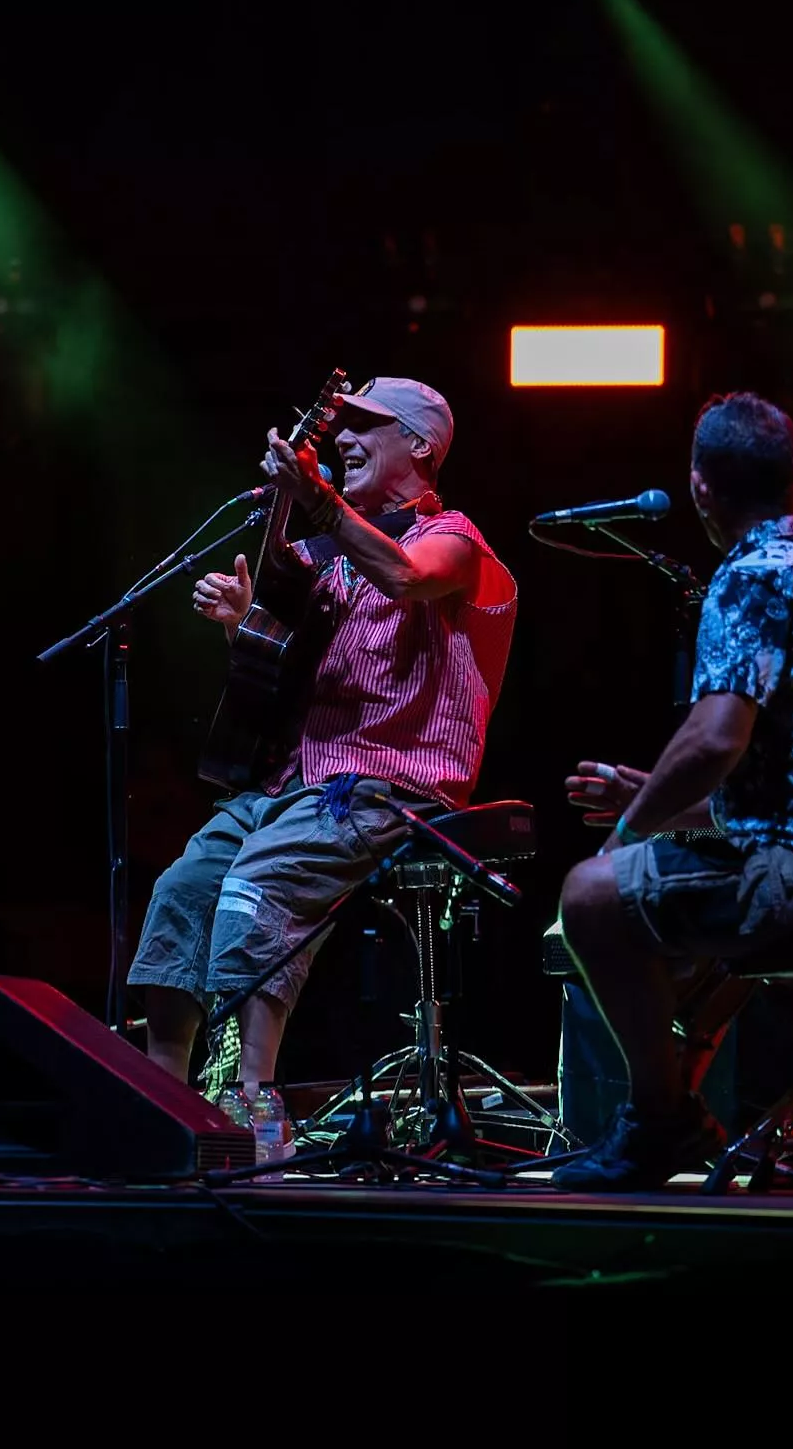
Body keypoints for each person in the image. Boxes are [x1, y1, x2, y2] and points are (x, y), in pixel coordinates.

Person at [552, 389, 793, 1191]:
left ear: (698, 487)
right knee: (674, 895)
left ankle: (658, 1126)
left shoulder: (751, 577)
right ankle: (696, 1120)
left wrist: (628, 825)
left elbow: (714, 738)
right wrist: (657, 796)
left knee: (591, 893)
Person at [128, 376, 517, 1092]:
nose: (343, 437)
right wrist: (245, 622)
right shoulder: (320, 560)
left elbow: (403, 577)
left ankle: (251, 1101)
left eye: (367, 425)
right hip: (290, 784)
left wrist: (318, 499)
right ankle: (163, 1102)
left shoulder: (454, 540)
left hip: (384, 785)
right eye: (342, 425)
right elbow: (276, 684)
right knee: (180, 890)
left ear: (420, 446)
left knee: (254, 885)